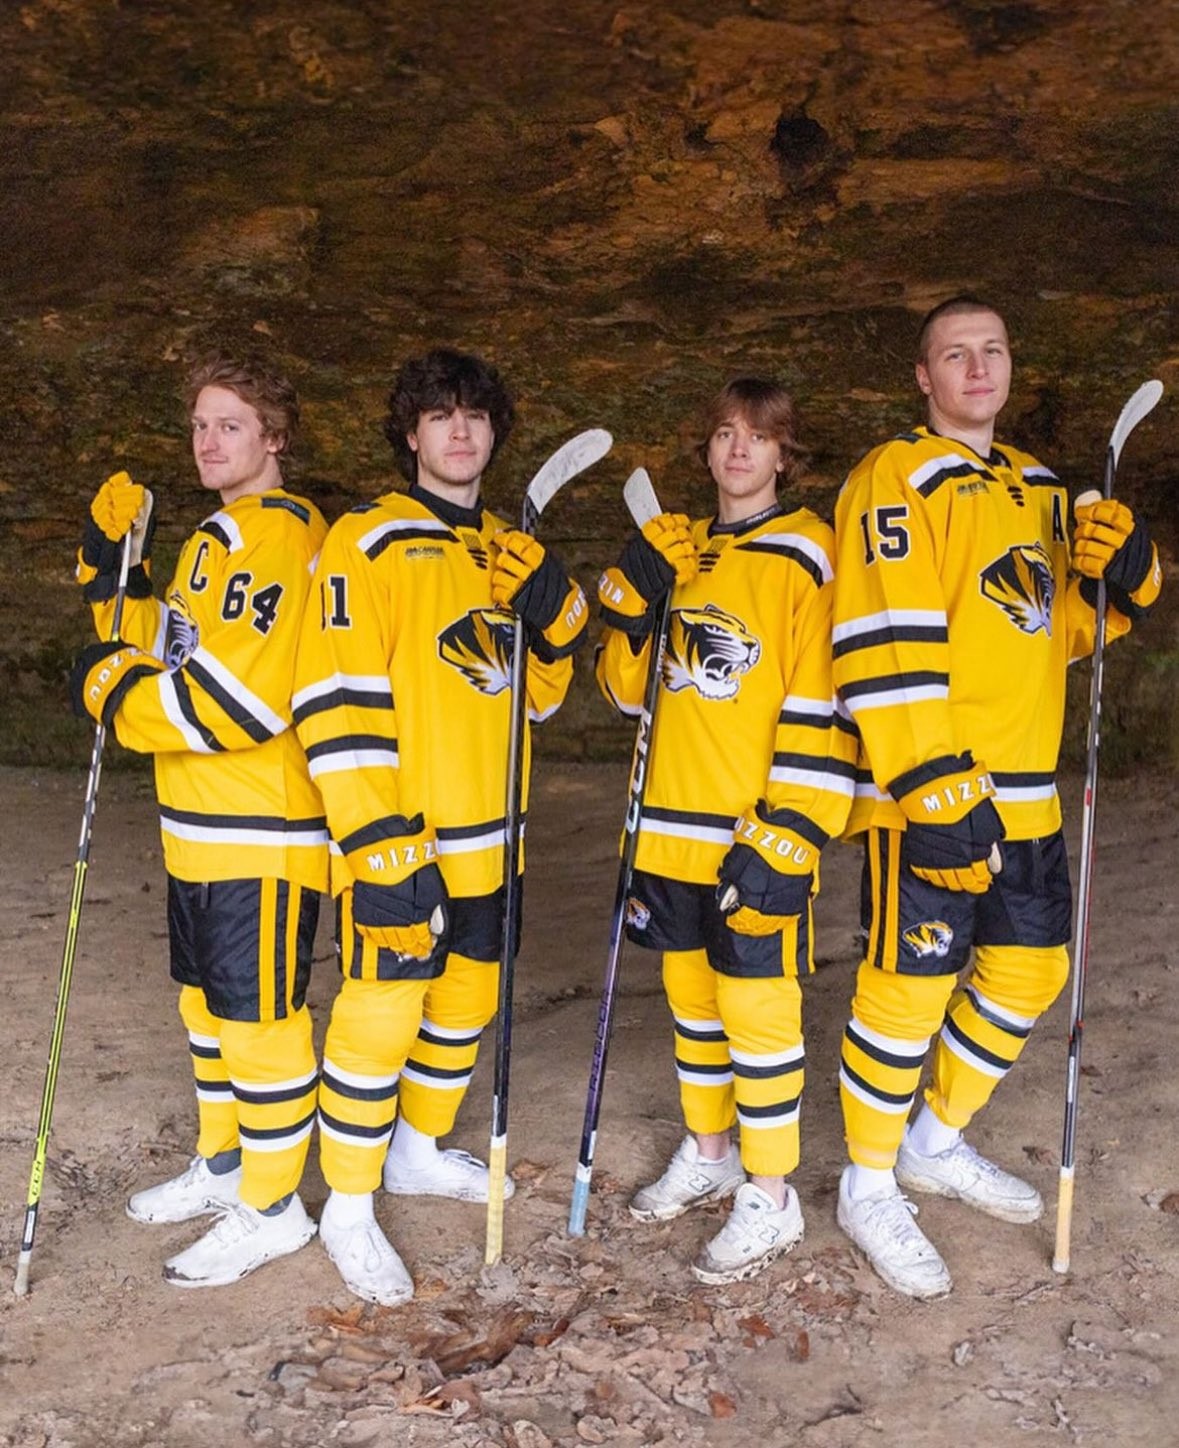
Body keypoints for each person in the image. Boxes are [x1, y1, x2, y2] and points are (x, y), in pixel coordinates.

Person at [830, 296, 1163, 1298]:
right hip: (930, 791)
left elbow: (1062, 626)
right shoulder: (896, 476)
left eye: (993, 350)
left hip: (1026, 796)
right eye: (954, 354)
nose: (978, 368)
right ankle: (866, 1182)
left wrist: (1128, 573)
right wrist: (931, 785)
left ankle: (933, 1140)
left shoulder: (1042, 488)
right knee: (909, 985)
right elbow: (880, 636)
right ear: (922, 378)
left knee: (1028, 971)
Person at [292, 347, 588, 1306]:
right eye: (438, 416)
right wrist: (374, 836)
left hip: (491, 833)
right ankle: (346, 1204)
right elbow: (332, 695)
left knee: (464, 999)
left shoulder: (504, 547)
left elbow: (535, 698)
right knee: (380, 1012)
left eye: (475, 415)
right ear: (410, 434)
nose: (460, 431)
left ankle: (416, 1148)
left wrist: (549, 615)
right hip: (403, 835)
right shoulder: (370, 538)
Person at [71, 352, 330, 1287]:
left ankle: (272, 1205)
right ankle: (225, 1164)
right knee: (207, 1006)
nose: (207, 442)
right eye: (198, 426)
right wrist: (118, 576)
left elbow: (234, 704)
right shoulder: (216, 538)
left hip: (263, 827)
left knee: (260, 1020)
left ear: (275, 437)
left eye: (230, 425)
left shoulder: (281, 538)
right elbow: (169, 651)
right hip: (199, 825)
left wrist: (114, 695)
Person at [595, 378, 856, 1284]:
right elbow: (626, 693)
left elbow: (823, 704)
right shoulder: (683, 550)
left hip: (753, 830)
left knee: (758, 1010)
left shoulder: (810, 552)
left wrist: (791, 829)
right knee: (692, 1002)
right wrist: (636, 602)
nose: (738, 449)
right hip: (668, 825)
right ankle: (709, 1153)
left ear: (784, 454)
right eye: (722, 434)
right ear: (705, 449)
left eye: (758, 436)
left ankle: (771, 1195)